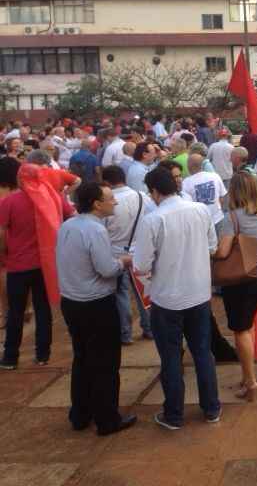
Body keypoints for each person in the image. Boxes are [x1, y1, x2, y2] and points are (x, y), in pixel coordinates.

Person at [133, 167, 220, 430]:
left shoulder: (154, 219)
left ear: (155, 192)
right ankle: (211, 408)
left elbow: (141, 264)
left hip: (167, 297)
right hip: (198, 292)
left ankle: (174, 414)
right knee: (202, 353)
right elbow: (211, 247)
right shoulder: (200, 210)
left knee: (171, 357)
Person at [56, 181, 137, 436]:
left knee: (82, 358)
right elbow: (106, 269)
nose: (115, 202)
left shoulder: (68, 225)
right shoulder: (95, 229)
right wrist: (123, 262)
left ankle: (80, 414)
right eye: (110, 198)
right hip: (96, 304)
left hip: (72, 302)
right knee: (105, 363)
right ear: (96, 204)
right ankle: (107, 419)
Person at [0, 163, 75, 370]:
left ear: (20, 179)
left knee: (16, 312)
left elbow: (1, 234)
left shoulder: (10, 202)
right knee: (43, 310)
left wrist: (4, 255)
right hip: (45, 264)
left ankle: (10, 357)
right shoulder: (52, 197)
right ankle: (43, 354)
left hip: (17, 265)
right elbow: (71, 216)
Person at [214, 172, 257, 402]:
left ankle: (250, 381)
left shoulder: (232, 218)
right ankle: (248, 373)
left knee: (240, 331)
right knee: (248, 327)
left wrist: (212, 251)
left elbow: (223, 252)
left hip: (240, 281)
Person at [101, 165, 153, 344]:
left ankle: (125, 333)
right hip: (139, 251)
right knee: (144, 293)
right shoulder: (142, 196)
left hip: (116, 254)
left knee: (121, 294)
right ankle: (150, 328)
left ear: (107, 182)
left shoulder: (106, 203)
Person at [182, 154, 227, 231]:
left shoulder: (186, 182)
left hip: (199, 222)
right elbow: (222, 197)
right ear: (202, 164)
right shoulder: (215, 176)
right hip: (217, 217)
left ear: (188, 166)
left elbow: (186, 206)